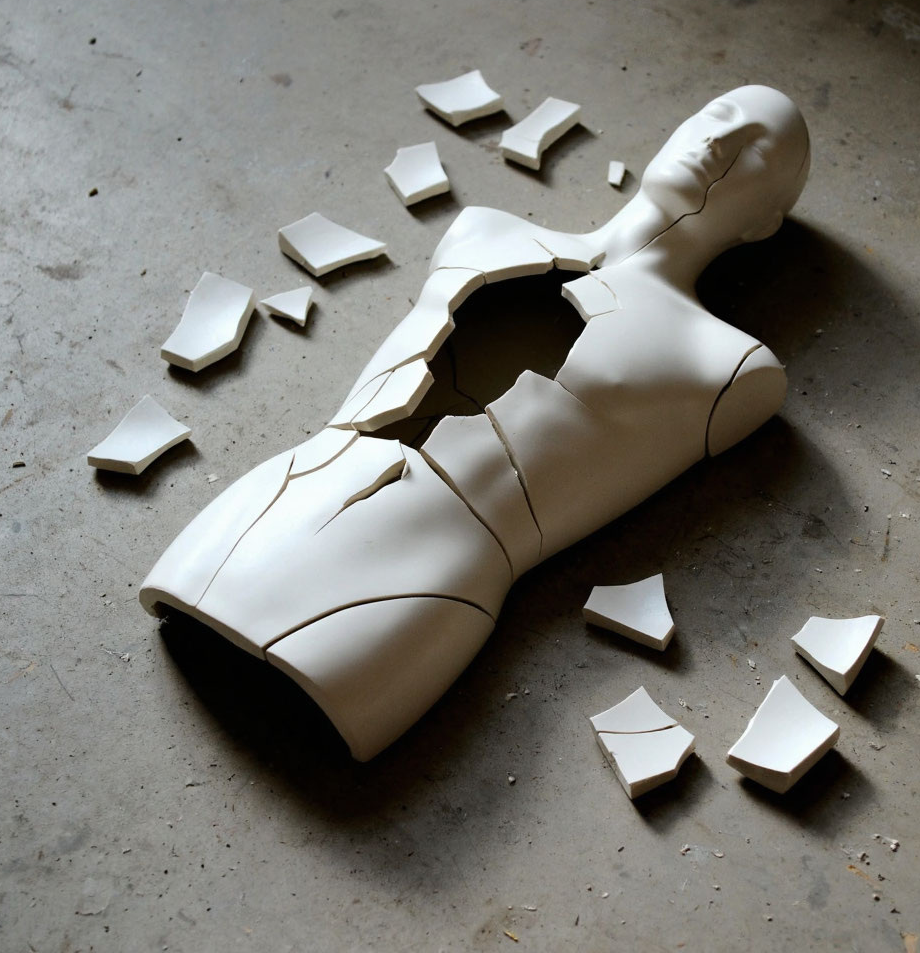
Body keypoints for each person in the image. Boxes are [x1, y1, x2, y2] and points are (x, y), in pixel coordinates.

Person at [141, 85, 810, 761]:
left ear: (764, 224)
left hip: (427, 577)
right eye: (716, 117)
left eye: (756, 148)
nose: (720, 143)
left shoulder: (726, 364)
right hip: (285, 494)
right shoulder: (486, 230)